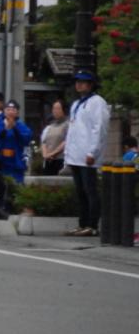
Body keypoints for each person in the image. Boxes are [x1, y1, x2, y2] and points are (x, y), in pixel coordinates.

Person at [64, 70, 109, 237]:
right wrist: (68, 154)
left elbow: (100, 129)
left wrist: (93, 151)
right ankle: (82, 223)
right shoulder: (76, 104)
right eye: (77, 81)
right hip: (76, 154)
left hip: (88, 154)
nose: (79, 85)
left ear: (91, 84)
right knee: (80, 192)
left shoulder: (97, 102)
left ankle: (92, 224)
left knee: (90, 191)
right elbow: (72, 130)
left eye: (83, 82)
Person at [0, 100, 32, 183]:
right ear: (4, 111)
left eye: (13, 110)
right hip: (1, 162)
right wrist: (5, 129)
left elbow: (26, 140)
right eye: (8, 109)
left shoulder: (22, 126)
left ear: (17, 112)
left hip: (16, 162)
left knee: (16, 186)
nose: (10, 112)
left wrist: (15, 128)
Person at [39, 99, 69, 176]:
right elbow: (44, 142)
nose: (55, 111)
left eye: (58, 108)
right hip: (48, 160)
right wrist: (45, 154)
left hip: (60, 160)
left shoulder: (67, 124)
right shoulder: (50, 126)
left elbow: (66, 141)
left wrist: (53, 153)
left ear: (63, 110)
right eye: (54, 108)